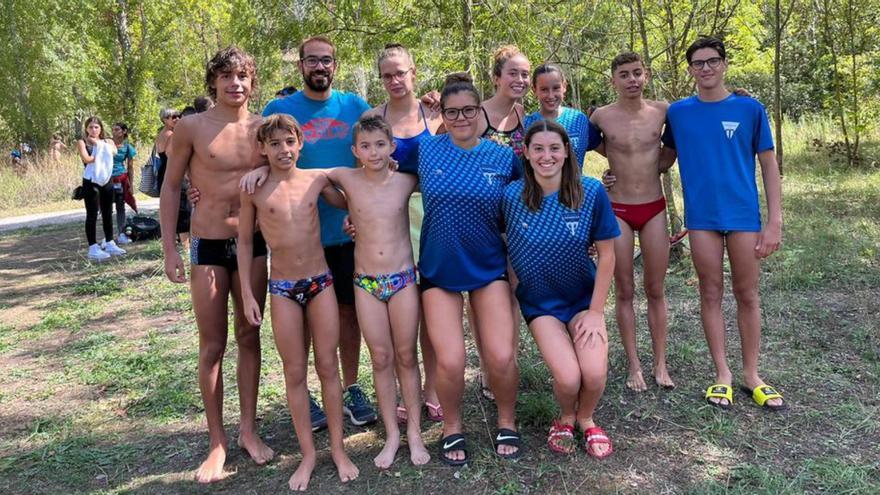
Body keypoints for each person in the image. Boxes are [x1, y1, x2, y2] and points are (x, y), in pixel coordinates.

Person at [160, 46, 275, 483]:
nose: (235, 84)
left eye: (243, 76)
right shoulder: (191, 127)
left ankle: (248, 430)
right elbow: (171, 189)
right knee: (212, 345)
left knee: (250, 335)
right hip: (207, 244)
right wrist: (170, 247)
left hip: (254, 245)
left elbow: (287, 171)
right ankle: (217, 442)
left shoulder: (265, 128)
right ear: (214, 82)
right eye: (226, 76)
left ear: (252, 81)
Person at [661, 37, 785, 411]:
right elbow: (661, 160)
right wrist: (617, 173)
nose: (706, 69)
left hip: (744, 216)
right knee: (710, 293)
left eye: (712, 61)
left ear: (725, 64)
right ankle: (722, 374)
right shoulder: (679, 113)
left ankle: (752, 375)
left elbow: (768, 165)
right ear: (690, 70)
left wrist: (774, 220)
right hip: (703, 220)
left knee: (747, 294)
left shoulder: (749, 108)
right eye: (698, 63)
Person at [260, 35, 377, 427]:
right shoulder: (279, 108)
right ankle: (307, 394)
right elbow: (261, 151)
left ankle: (350, 387)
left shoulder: (354, 107)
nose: (320, 67)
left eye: (326, 60)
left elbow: (378, 150)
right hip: (302, 240)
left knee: (347, 315)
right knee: (303, 319)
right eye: (312, 60)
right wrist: (260, 170)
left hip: (347, 233)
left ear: (335, 65)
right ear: (301, 66)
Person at [238, 114, 358, 490]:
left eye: (288, 142)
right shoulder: (254, 189)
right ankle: (308, 454)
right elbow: (244, 241)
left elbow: (350, 197)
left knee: (328, 366)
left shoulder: (316, 179)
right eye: (273, 144)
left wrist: (353, 213)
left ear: (300, 143)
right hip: (283, 289)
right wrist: (245, 291)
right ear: (262, 149)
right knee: (294, 373)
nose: (283, 150)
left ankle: (338, 449)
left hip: (320, 283)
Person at [416, 73, 522, 465]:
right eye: (452, 111)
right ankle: (452, 427)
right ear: (441, 113)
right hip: (439, 268)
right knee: (451, 360)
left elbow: (527, 201)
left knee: (499, 355)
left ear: (480, 111)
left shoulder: (501, 156)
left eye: (468, 110)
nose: (461, 118)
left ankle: (507, 419)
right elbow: (383, 180)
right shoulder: (426, 151)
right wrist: (355, 216)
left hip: (488, 265)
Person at [503, 119, 618, 457]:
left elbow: (608, 255)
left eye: (554, 148)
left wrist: (596, 313)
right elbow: (500, 240)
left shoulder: (590, 191)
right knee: (568, 378)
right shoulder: (512, 196)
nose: (546, 155)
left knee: (594, 375)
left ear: (567, 151)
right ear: (526, 153)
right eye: (537, 148)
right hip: (541, 304)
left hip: (583, 299)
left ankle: (586, 417)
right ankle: (566, 416)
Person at [324, 116, 429, 469]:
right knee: (380, 358)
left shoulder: (405, 181)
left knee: (406, 356)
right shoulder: (346, 178)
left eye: (380, 144)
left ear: (392, 147)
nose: (373, 152)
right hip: (366, 283)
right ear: (355, 150)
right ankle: (392, 435)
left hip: (401, 280)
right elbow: (306, 176)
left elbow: (440, 174)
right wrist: (261, 172)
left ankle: (414, 432)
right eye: (365, 146)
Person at [362, 43, 444, 423]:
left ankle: (431, 389)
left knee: (430, 305)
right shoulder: (371, 117)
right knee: (399, 310)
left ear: (414, 72)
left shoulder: (434, 112)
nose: (395, 80)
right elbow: (360, 176)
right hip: (391, 222)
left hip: (432, 216)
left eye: (401, 72)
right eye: (387, 74)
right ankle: (399, 388)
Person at [590, 52, 676, 392]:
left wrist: (665, 161)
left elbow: (679, 141)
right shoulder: (600, 116)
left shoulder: (663, 111)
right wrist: (608, 172)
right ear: (613, 80)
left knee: (655, 289)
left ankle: (660, 364)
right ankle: (634, 366)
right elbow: (585, 145)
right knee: (624, 291)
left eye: (637, 73)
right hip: (619, 210)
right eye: (624, 74)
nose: (632, 80)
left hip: (654, 207)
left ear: (647, 75)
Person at [523, 63, 601, 167]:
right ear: (534, 90)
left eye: (556, 88)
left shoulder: (579, 120)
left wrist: (610, 173)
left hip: (575, 183)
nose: (551, 95)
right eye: (544, 89)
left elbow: (610, 151)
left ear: (564, 87)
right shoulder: (526, 124)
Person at [76, 117, 126, 261]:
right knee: (92, 213)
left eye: (96, 127)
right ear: (86, 129)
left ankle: (109, 241)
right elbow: (87, 159)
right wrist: (100, 149)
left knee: (107, 211)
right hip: (91, 180)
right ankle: (93, 246)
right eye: (90, 127)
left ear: (101, 129)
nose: (93, 130)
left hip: (106, 179)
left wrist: (100, 145)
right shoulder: (82, 142)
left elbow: (114, 152)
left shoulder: (107, 141)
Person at [110, 122, 137, 245]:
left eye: (117, 129)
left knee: (120, 206)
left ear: (124, 131)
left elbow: (130, 167)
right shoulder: (107, 144)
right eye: (113, 129)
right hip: (106, 179)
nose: (114, 132)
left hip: (120, 178)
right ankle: (108, 236)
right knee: (106, 207)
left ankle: (121, 233)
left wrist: (131, 184)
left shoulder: (128, 147)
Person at [154, 107, 179, 193]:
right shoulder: (171, 134)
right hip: (169, 172)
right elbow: (170, 154)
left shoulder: (160, 134)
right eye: (174, 117)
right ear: (165, 119)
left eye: (178, 116)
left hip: (162, 171)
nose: (177, 119)